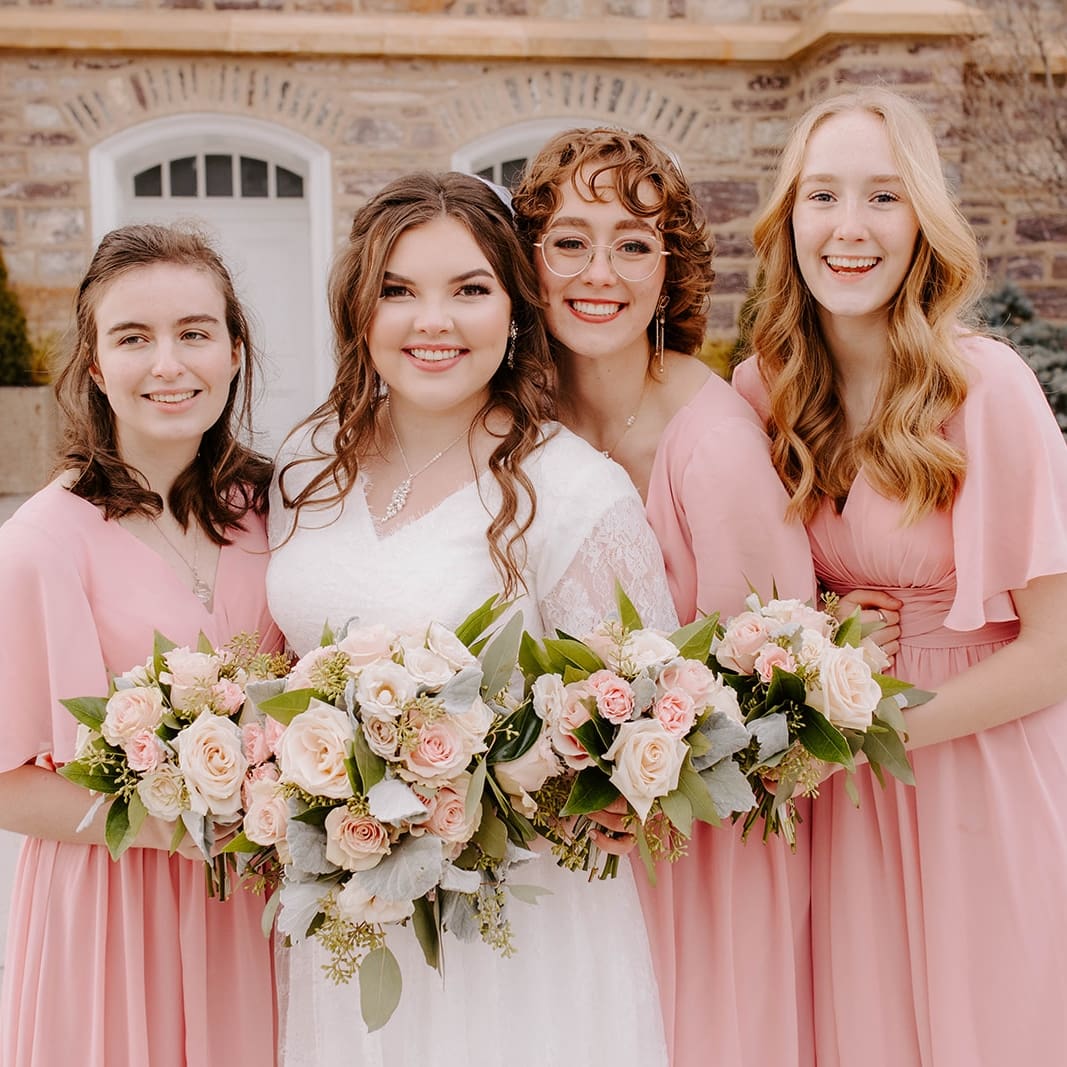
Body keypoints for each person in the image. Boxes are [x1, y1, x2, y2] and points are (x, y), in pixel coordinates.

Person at [266, 171, 675, 1067]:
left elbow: (639, 714)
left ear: (515, 308)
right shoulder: (304, 462)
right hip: (346, 916)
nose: (433, 322)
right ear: (358, 309)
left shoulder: (572, 491)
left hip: (514, 933)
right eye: (398, 290)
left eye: (470, 290)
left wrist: (482, 793)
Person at [733, 86, 1067, 1066]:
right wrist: (822, 631)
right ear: (786, 217)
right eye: (821, 196)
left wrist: (865, 735)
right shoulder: (763, 390)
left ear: (920, 218)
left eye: (881, 197)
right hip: (840, 803)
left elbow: (1054, 654)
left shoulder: (983, 384)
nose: (848, 228)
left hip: (975, 769)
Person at [512, 128, 837, 1067]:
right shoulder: (521, 428)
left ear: (672, 270)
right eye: (569, 240)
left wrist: (645, 781)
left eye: (632, 243)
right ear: (530, 261)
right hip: (565, 858)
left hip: (705, 856)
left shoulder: (716, 445)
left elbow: (779, 697)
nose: (597, 270)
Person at [0, 224, 282, 1067]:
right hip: (115, 911)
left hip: (256, 909)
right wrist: (190, 818)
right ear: (95, 365)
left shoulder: (272, 509)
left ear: (233, 351)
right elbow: (7, 786)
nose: (169, 363)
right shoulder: (43, 543)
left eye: (194, 333)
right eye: (133, 338)